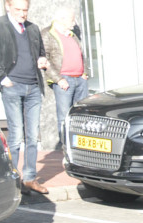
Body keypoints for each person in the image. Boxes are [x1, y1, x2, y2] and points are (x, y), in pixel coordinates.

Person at [0, 0, 49, 194]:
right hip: (12, 86)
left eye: (25, 10)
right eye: (18, 9)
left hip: (33, 87)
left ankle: (29, 178)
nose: (22, 14)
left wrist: (41, 60)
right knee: (16, 134)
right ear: (7, 7)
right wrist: (3, 78)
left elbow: (40, 53)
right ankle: (11, 179)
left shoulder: (33, 28)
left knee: (32, 136)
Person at [42, 6, 87, 152]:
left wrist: (84, 73)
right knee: (64, 117)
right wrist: (59, 79)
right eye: (72, 19)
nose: (74, 23)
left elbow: (80, 54)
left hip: (79, 79)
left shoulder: (71, 34)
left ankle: (81, 149)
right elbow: (45, 59)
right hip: (64, 80)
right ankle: (68, 150)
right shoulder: (47, 34)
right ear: (61, 19)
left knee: (81, 116)